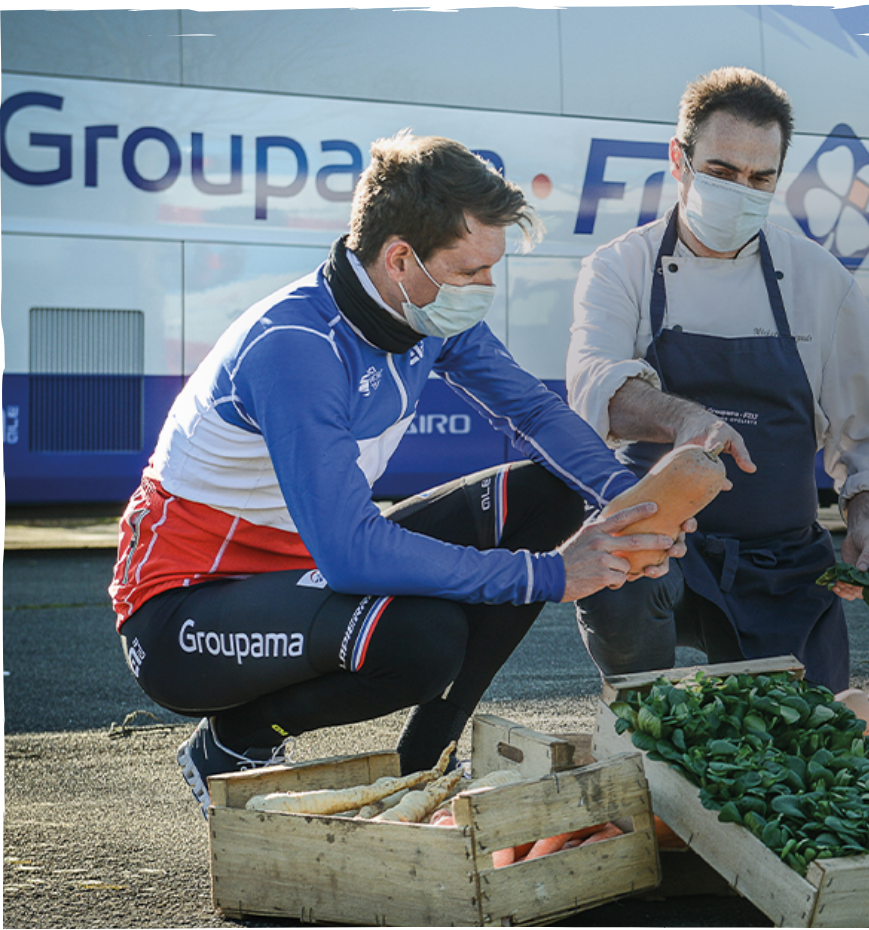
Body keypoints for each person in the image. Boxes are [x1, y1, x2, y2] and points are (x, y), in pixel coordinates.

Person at [109, 131, 684, 814]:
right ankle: (232, 741)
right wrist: (553, 575)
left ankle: (426, 767)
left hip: (304, 572)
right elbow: (352, 553)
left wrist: (634, 506)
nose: (486, 290)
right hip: (182, 613)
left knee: (549, 494)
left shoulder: (425, 309)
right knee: (422, 640)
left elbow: (531, 409)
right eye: (472, 271)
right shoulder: (295, 349)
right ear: (400, 258)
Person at [566, 67, 869, 693]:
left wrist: (866, 519)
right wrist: (683, 419)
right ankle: (637, 720)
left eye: (761, 178)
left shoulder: (819, 280)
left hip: (783, 563)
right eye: (723, 172)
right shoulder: (621, 267)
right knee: (620, 590)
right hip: (660, 548)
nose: (741, 191)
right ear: (680, 160)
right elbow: (597, 388)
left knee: (803, 752)